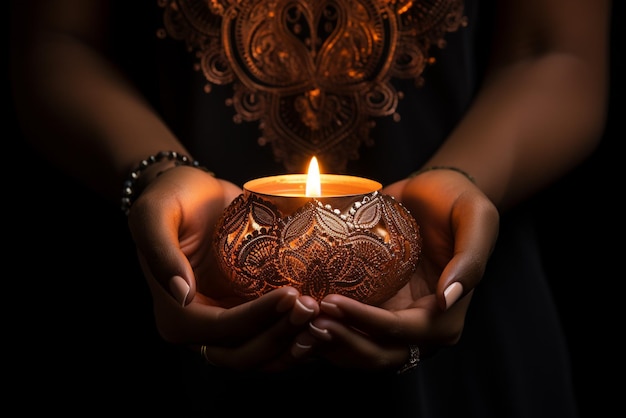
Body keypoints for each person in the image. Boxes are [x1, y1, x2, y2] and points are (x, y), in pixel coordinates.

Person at [9, 0, 610, 416]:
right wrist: (156, 175)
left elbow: (554, 52)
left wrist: (460, 178)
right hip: (173, 290)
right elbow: (59, 39)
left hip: (456, 296)